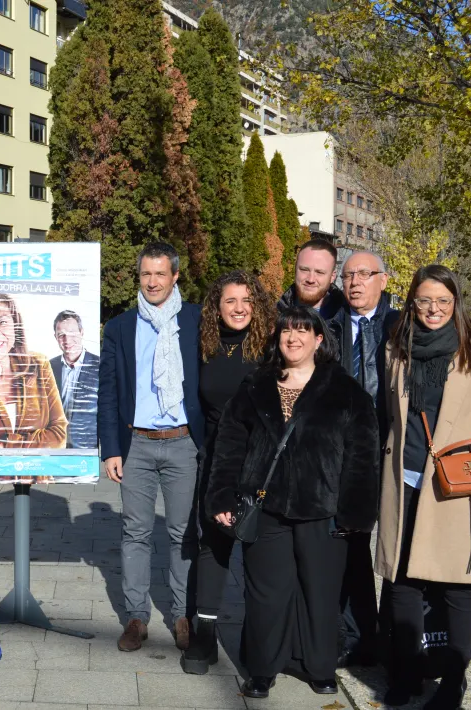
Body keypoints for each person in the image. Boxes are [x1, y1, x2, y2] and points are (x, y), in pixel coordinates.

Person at [206, 306, 380, 699]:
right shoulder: (256, 385)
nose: (293, 338)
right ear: (277, 338)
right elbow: (230, 445)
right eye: (286, 331)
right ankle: (262, 669)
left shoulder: (344, 389)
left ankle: (319, 668)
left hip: (325, 509)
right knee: (267, 594)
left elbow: (362, 455)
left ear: (319, 340)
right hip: (266, 508)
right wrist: (222, 495)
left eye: (303, 331)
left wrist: (357, 513)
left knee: (321, 592)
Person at [375, 265, 471, 710]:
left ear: (455, 303)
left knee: (458, 586)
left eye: (442, 301)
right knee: (401, 582)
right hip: (404, 479)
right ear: (411, 302)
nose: (433, 309)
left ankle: (453, 680)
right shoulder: (397, 347)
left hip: (459, 487)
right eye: (424, 300)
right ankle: (407, 672)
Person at [97, 242, 205, 653]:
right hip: (136, 444)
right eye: (146, 274)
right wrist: (111, 448)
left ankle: (182, 615)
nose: (153, 281)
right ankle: (136, 617)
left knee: (182, 534)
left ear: (175, 276)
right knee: (135, 533)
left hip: (183, 443)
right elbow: (109, 391)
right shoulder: (121, 327)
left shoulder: (195, 321)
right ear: (138, 277)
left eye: (161, 274)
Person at [180, 270, 276, 675]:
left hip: (263, 462)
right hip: (218, 458)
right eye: (230, 301)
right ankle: (204, 638)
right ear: (216, 308)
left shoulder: (272, 347)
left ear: (257, 304)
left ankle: (261, 643)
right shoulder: (206, 345)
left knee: (261, 549)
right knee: (212, 546)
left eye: (246, 301)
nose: (239, 309)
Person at [329, 250, 398, 667]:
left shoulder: (400, 325)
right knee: (351, 544)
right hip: (344, 455)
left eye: (364, 274)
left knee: (394, 548)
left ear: (383, 281)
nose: (355, 282)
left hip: (390, 451)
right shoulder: (332, 326)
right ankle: (355, 636)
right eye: (349, 275)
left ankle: (393, 637)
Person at [0, 292, 67, 449]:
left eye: (3, 322)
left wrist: (4, 444)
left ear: (15, 326)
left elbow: (59, 435)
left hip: (36, 471)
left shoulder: (38, 365)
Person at [49, 310, 100, 449]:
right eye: (61, 335)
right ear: (55, 337)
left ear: (81, 332)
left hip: (87, 448)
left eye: (72, 333)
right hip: (54, 447)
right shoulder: (48, 367)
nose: (67, 340)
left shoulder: (100, 366)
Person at [277, 238, 346, 319]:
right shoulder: (272, 317)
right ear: (295, 269)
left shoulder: (348, 321)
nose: (311, 279)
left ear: (332, 276)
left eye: (319, 272)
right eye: (304, 270)